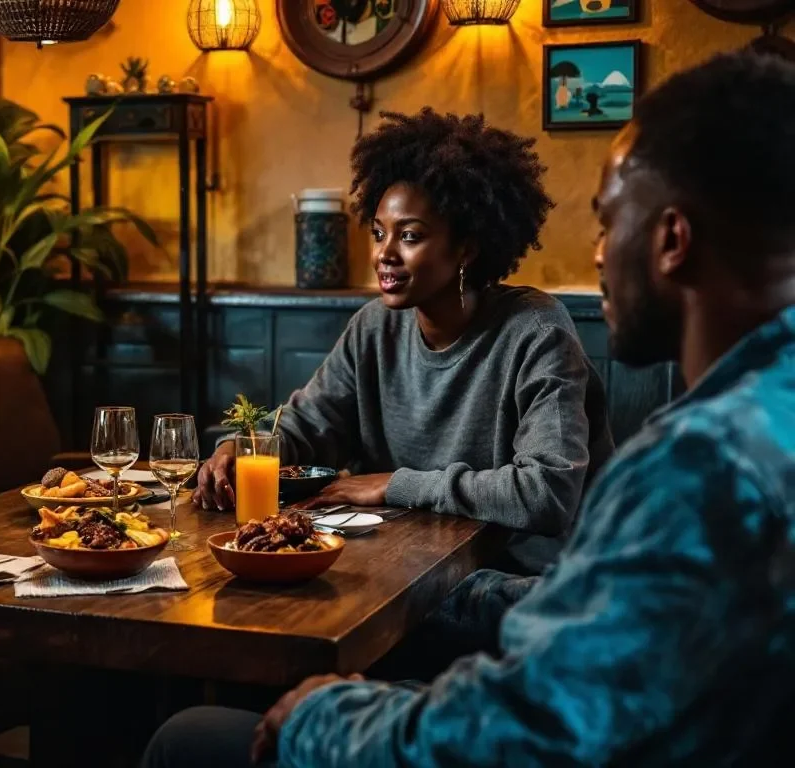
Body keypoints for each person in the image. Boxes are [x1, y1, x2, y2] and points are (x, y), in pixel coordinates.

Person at [144, 49, 795, 767]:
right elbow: (310, 418)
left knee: (189, 737)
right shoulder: (763, 412)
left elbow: (536, 718)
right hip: (469, 615)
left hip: (499, 602)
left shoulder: (699, 466)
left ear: (672, 239)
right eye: (382, 232)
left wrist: (323, 716)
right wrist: (256, 444)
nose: (600, 256)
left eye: (608, 224)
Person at [195, 109, 612, 574]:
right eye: (378, 233)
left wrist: (396, 484)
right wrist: (241, 449)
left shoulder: (535, 331)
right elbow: (310, 422)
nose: (384, 254)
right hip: (403, 564)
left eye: (409, 236)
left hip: (521, 581)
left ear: (467, 249)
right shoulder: (374, 327)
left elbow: (547, 493)